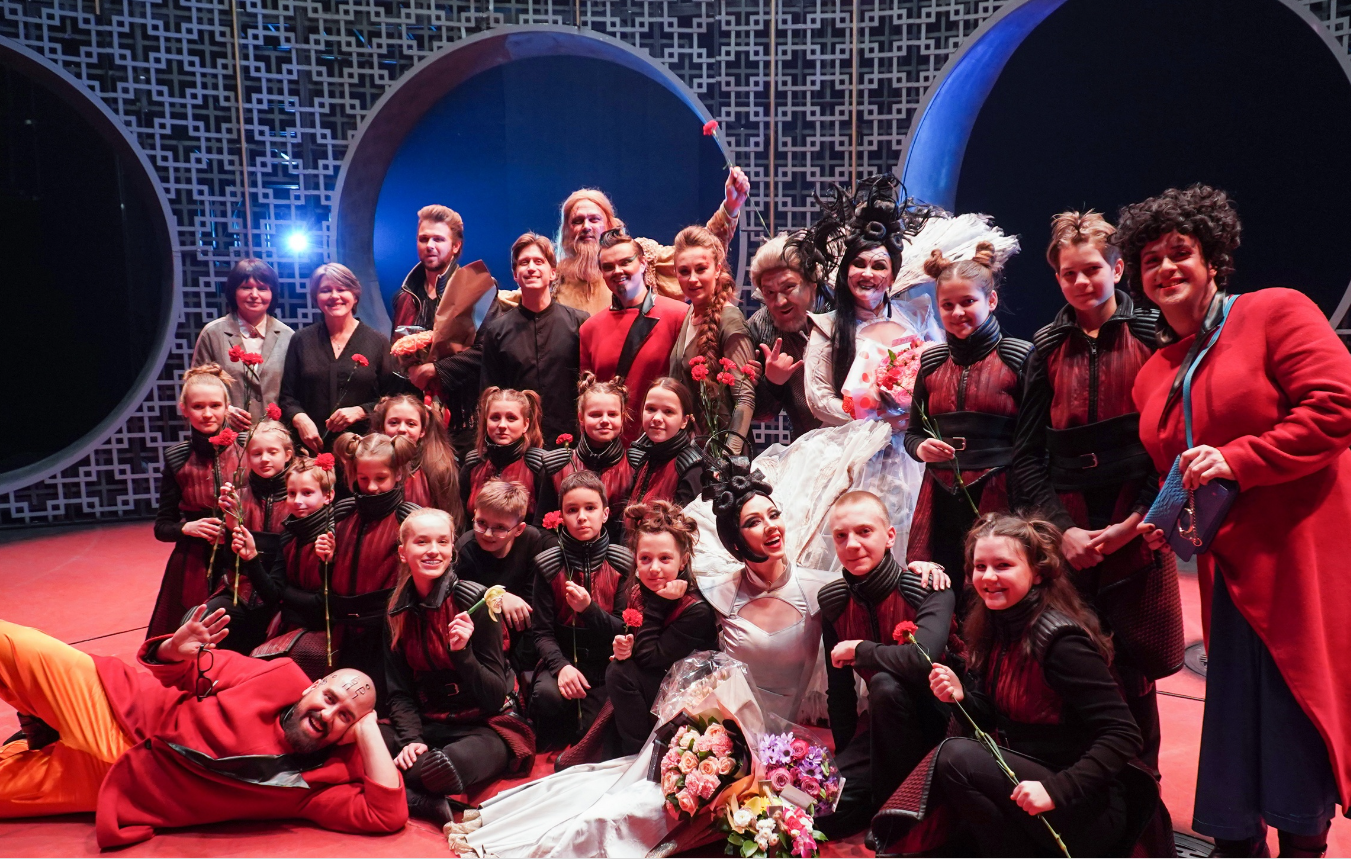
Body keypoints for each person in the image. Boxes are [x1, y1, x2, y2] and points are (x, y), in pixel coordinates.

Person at [1126, 184, 1351, 857]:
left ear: (1213, 259)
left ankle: (1304, 845)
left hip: (1296, 553)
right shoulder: (1154, 371)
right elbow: (1177, 466)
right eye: (1150, 260)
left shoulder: (1274, 310)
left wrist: (1238, 458)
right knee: (1235, 721)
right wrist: (1162, 516)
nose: (1165, 268)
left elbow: (1336, 405)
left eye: (1180, 252)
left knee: (1293, 707)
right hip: (1226, 569)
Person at [0, 607, 406, 847]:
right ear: (312, 686)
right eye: (330, 698)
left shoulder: (319, 784)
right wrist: (172, 649)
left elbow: (386, 814)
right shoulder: (278, 675)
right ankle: (41, 722)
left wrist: (367, 725)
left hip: (117, 785)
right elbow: (181, 670)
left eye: (345, 717)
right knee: (9, 642)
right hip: (117, 706)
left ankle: (34, 738)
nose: (328, 715)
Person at [1011, 210, 1182, 776]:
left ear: (1118, 268)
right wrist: (1065, 533)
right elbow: (1026, 458)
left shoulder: (1155, 335)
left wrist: (1135, 524)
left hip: (1141, 523)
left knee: (1137, 664)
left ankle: (1142, 800)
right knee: (1076, 660)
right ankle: (1082, 795)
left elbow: (1175, 446)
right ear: (1057, 278)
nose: (1081, 282)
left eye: (1092, 269)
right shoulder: (1045, 346)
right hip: (1070, 531)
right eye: (1069, 274)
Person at [892, 514, 1146, 857]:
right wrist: (961, 698)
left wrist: (1055, 790)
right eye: (980, 566)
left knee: (955, 757)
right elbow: (990, 719)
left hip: (1085, 806)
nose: (989, 577)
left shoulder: (1062, 643)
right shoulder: (994, 625)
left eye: (1003, 565)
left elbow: (1124, 734)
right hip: (1030, 783)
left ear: (1038, 573)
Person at [816, 490, 956, 839]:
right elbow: (840, 692)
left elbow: (922, 660)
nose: (852, 544)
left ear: (890, 536)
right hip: (883, 729)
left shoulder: (927, 587)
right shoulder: (834, 602)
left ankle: (894, 815)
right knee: (820, 810)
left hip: (944, 727)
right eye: (841, 536)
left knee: (884, 683)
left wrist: (862, 650)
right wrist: (845, 763)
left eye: (865, 531)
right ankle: (882, 796)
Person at [383, 508, 533, 825]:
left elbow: (494, 696)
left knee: (443, 769)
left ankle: (405, 788)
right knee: (362, 740)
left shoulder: (476, 601)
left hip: (486, 725)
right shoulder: (396, 609)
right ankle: (421, 800)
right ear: (403, 552)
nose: (433, 550)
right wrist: (411, 739)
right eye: (421, 542)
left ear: (452, 549)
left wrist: (462, 653)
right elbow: (399, 692)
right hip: (431, 722)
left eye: (442, 542)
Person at [904, 243, 1032, 585]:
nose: (957, 312)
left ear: (991, 301)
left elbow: (1036, 441)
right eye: (947, 305)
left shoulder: (1019, 357)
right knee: (936, 584)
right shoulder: (931, 362)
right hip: (939, 494)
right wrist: (921, 448)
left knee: (994, 584)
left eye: (968, 302)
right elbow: (913, 434)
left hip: (1002, 492)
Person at [695, 456, 833, 721]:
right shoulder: (718, 593)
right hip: (729, 726)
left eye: (773, 515)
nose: (771, 526)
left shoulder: (818, 589)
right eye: (753, 522)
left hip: (794, 732)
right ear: (736, 543)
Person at [529, 471, 634, 751]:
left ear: (605, 513)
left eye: (590, 508)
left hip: (606, 664)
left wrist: (588, 609)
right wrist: (561, 667)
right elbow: (541, 632)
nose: (582, 517)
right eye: (572, 510)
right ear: (561, 516)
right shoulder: (547, 565)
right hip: (562, 658)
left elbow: (622, 629)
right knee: (546, 696)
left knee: (594, 733)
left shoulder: (623, 564)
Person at [553, 169, 750, 316]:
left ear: (609, 224)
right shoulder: (554, 278)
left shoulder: (641, 257)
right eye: (577, 221)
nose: (586, 227)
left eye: (594, 219)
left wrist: (730, 207)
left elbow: (698, 250)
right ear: (567, 231)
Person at [607, 500, 718, 755]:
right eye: (645, 559)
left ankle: (639, 754)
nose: (654, 568)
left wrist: (658, 604)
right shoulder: (638, 592)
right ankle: (632, 749)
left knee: (619, 674)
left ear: (683, 561)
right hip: (658, 681)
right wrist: (624, 648)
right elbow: (639, 648)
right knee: (618, 669)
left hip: (690, 698)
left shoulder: (696, 610)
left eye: (665, 558)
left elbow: (649, 657)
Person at [147, 364, 243, 639]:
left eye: (215, 405)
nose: (208, 414)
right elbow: (162, 527)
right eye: (198, 407)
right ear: (184, 409)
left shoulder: (248, 448)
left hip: (243, 557)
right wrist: (186, 528)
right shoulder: (177, 458)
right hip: (194, 563)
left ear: (228, 407)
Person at [579, 229, 690, 443]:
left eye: (625, 262)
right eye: (608, 267)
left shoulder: (678, 315)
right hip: (609, 450)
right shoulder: (589, 329)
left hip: (663, 447)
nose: (617, 271)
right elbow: (587, 400)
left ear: (643, 263)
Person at [478, 233, 588, 446]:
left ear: (553, 272)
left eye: (538, 261)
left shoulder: (579, 323)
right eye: (524, 262)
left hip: (570, 441)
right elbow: (490, 395)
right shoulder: (496, 331)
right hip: (516, 443)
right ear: (515, 275)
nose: (531, 268)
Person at [279, 263, 400, 454]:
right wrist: (300, 419)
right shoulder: (301, 339)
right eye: (325, 290)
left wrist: (361, 411)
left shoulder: (377, 342)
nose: (334, 296)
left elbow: (391, 398)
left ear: (355, 295)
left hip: (362, 450)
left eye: (342, 289)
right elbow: (287, 397)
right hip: (311, 449)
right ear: (316, 298)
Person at [242, 455, 340, 679]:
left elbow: (324, 603)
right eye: (292, 493)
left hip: (326, 631)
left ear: (328, 496)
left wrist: (285, 596)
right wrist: (252, 558)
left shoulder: (334, 536)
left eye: (307, 493)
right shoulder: (289, 534)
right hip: (292, 623)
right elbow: (272, 595)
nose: (297, 501)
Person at [207, 418, 294, 654]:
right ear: (247, 457)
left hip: (282, 597)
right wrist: (231, 522)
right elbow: (229, 560)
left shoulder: (298, 498)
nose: (264, 459)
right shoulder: (239, 496)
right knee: (201, 622)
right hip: (239, 590)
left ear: (287, 455)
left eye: (272, 452)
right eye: (256, 453)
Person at [667, 225, 757, 453]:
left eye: (701, 269)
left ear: (717, 270)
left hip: (723, 454)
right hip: (692, 452)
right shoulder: (690, 313)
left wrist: (729, 455)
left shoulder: (729, 320)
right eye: (684, 271)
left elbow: (745, 398)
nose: (692, 279)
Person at [454, 478, 556, 672]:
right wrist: (496, 596)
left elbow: (532, 604)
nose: (487, 534)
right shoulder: (465, 550)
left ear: (519, 529)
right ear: (474, 514)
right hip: (480, 640)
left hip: (521, 634)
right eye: (481, 523)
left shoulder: (530, 540)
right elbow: (461, 605)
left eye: (500, 527)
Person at [746, 233, 831, 441]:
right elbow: (761, 414)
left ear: (812, 281)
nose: (780, 301)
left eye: (789, 287)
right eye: (769, 292)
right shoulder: (759, 326)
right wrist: (772, 382)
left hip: (864, 437)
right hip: (808, 446)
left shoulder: (844, 312)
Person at [192, 258, 295, 430]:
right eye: (246, 287)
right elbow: (196, 386)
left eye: (262, 288)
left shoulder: (287, 336)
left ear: (272, 293)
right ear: (233, 292)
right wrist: (224, 410)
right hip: (227, 434)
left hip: (274, 437)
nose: (254, 295)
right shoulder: (213, 333)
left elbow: (295, 394)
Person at [540, 373, 635, 541]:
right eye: (595, 415)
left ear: (622, 417)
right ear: (581, 418)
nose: (604, 420)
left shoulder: (635, 465)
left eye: (612, 414)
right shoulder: (557, 466)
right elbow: (542, 526)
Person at [460, 387, 550, 522]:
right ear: (486, 421)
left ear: (525, 424)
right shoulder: (473, 464)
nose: (502, 425)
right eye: (495, 418)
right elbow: (462, 521)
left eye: (511, 418)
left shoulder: (539, 466)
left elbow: (546, 523)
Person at [372, 393, 462, 523]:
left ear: (422, 431)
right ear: (382, 427)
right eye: (394, 423)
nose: (402, 429)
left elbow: (451, 518)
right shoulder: (368, 462)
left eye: (411, 424)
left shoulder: (439, 467)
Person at [627, 377, 705, 507]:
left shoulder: (691, 468)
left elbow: (687, 519)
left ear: (684, 421)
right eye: (651, 409)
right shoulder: (641, 458)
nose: (657, 418)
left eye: (668, 412)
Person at [392, 204, 463, 333]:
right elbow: (396, 344)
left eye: (438, 239)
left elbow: (486, 344)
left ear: (456, 246)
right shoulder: (404, 297)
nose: (429, 245)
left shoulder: (474, 293)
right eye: (423, 239)